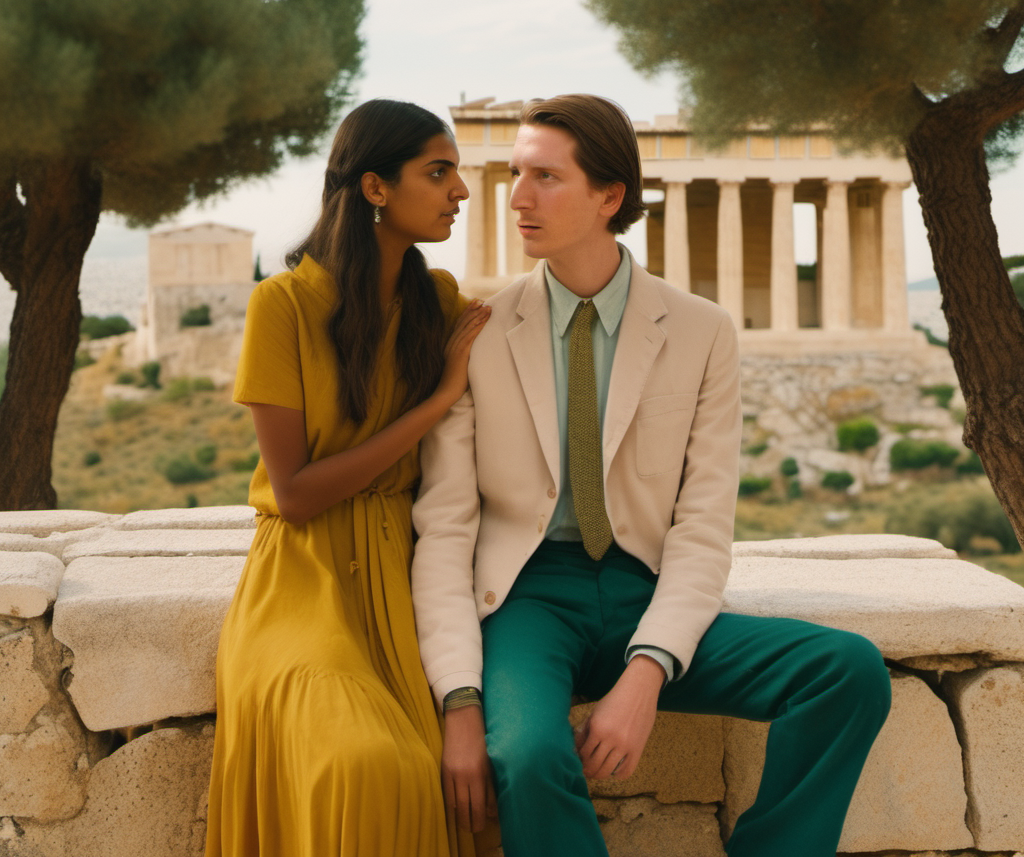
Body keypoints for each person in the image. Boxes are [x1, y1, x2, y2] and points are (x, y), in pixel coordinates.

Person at [411, 93, 892, 857]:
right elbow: (444, 526)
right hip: (527, 598)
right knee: (526, 756)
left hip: (647, 587)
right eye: (513, 174)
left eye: (545, 177)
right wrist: (460, 699)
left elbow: (703, 523)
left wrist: (649, 670)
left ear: (610, 196)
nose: (517, 198)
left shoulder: (701, 331)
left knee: (849, 672)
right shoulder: (478, 331)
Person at [205, 99, 489, 857]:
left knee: (425, 773)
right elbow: (294, 493)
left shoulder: (440, 302)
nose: (460, 191)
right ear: (375, 188)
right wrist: (433, 404)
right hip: (301, 583)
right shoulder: (282, 305)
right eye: (439, 172)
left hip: (404, 576)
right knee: (363, 762)